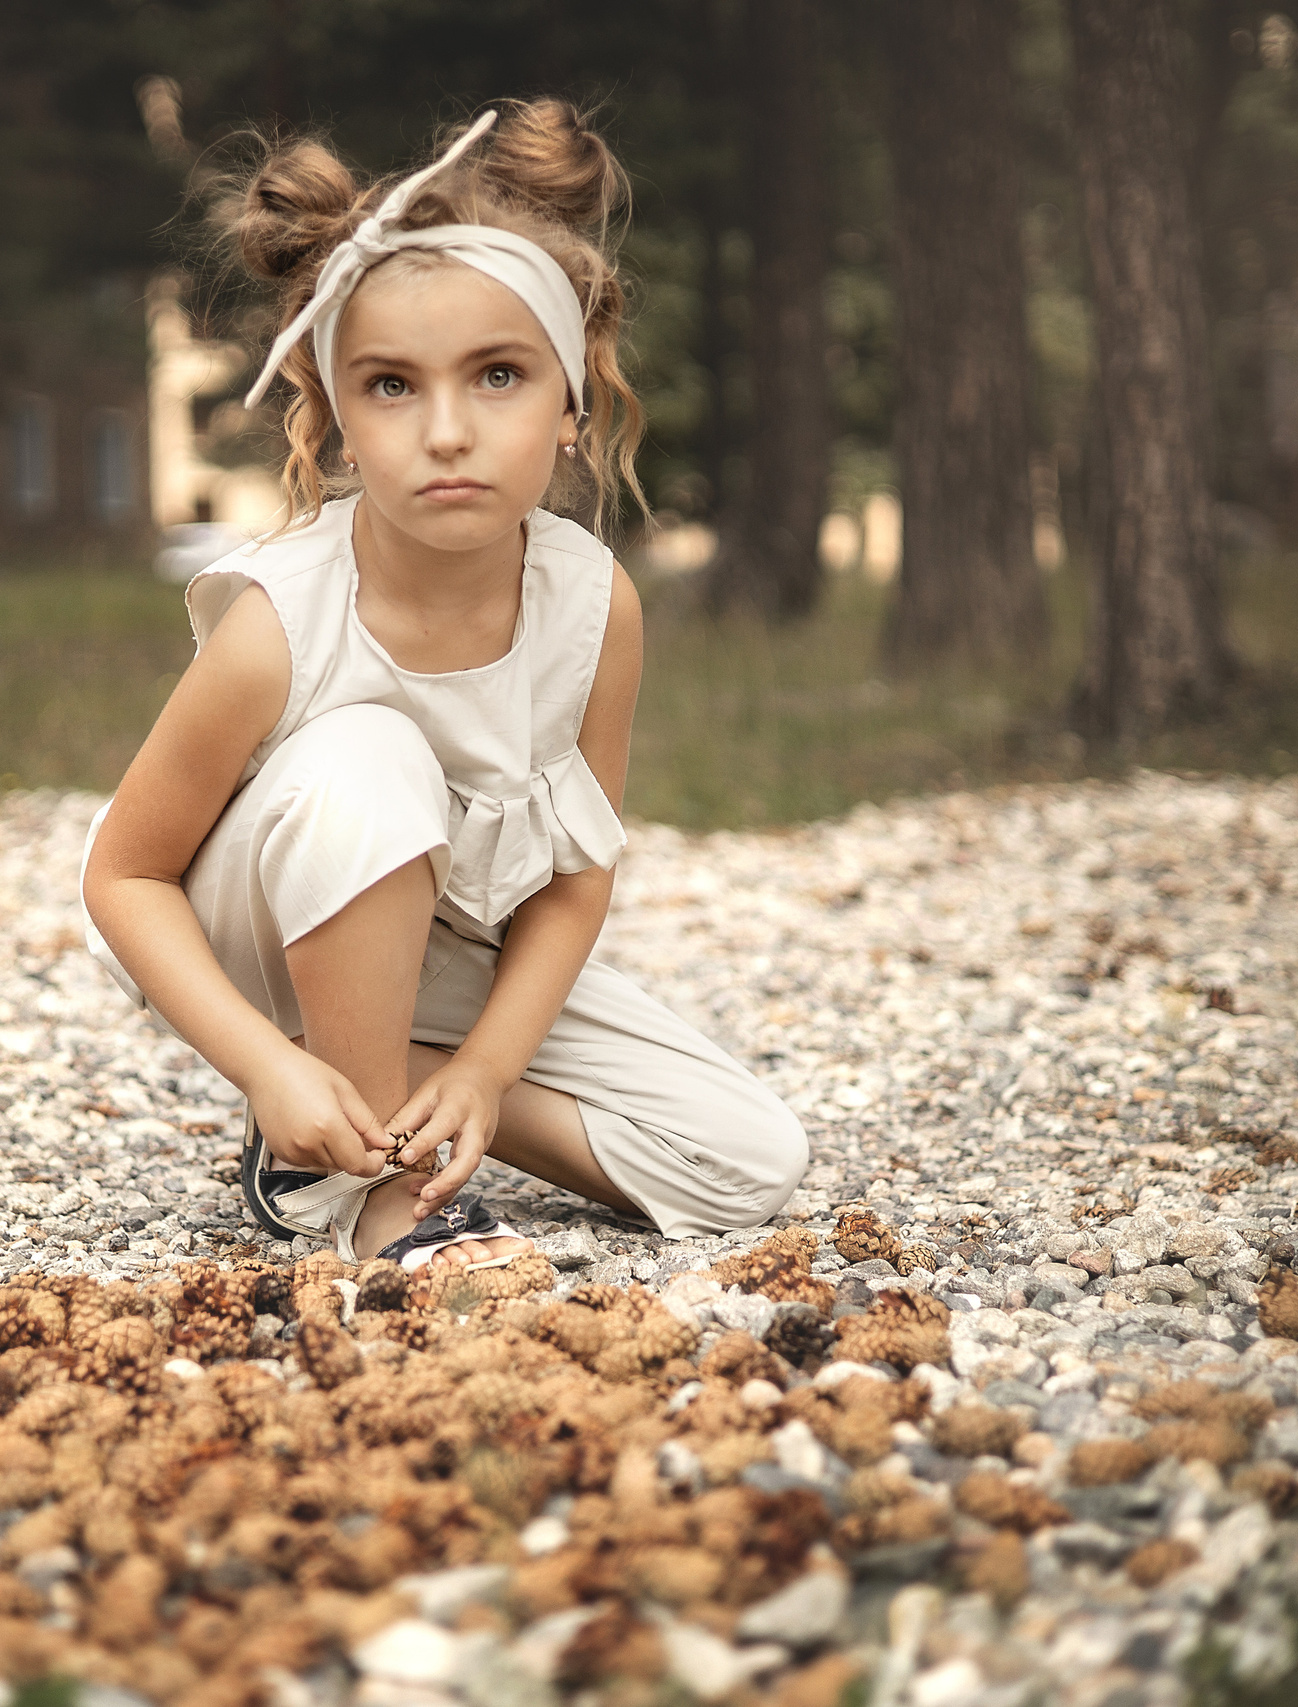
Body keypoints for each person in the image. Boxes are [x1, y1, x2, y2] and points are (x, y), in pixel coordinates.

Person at [81, 99, 807, 1278]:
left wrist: (482, 1072)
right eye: (392, 386)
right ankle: (377, 1189)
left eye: (500, 375)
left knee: (743, 1159)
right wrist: (262, 1064)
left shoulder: (591, 605)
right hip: (265, 940)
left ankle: (373, 1084)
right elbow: (125, 873)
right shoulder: (282, 620)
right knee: (372, 756)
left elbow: (575, 879)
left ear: (572, 410)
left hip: (445, 953)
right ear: (336, 421)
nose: (450, 431)